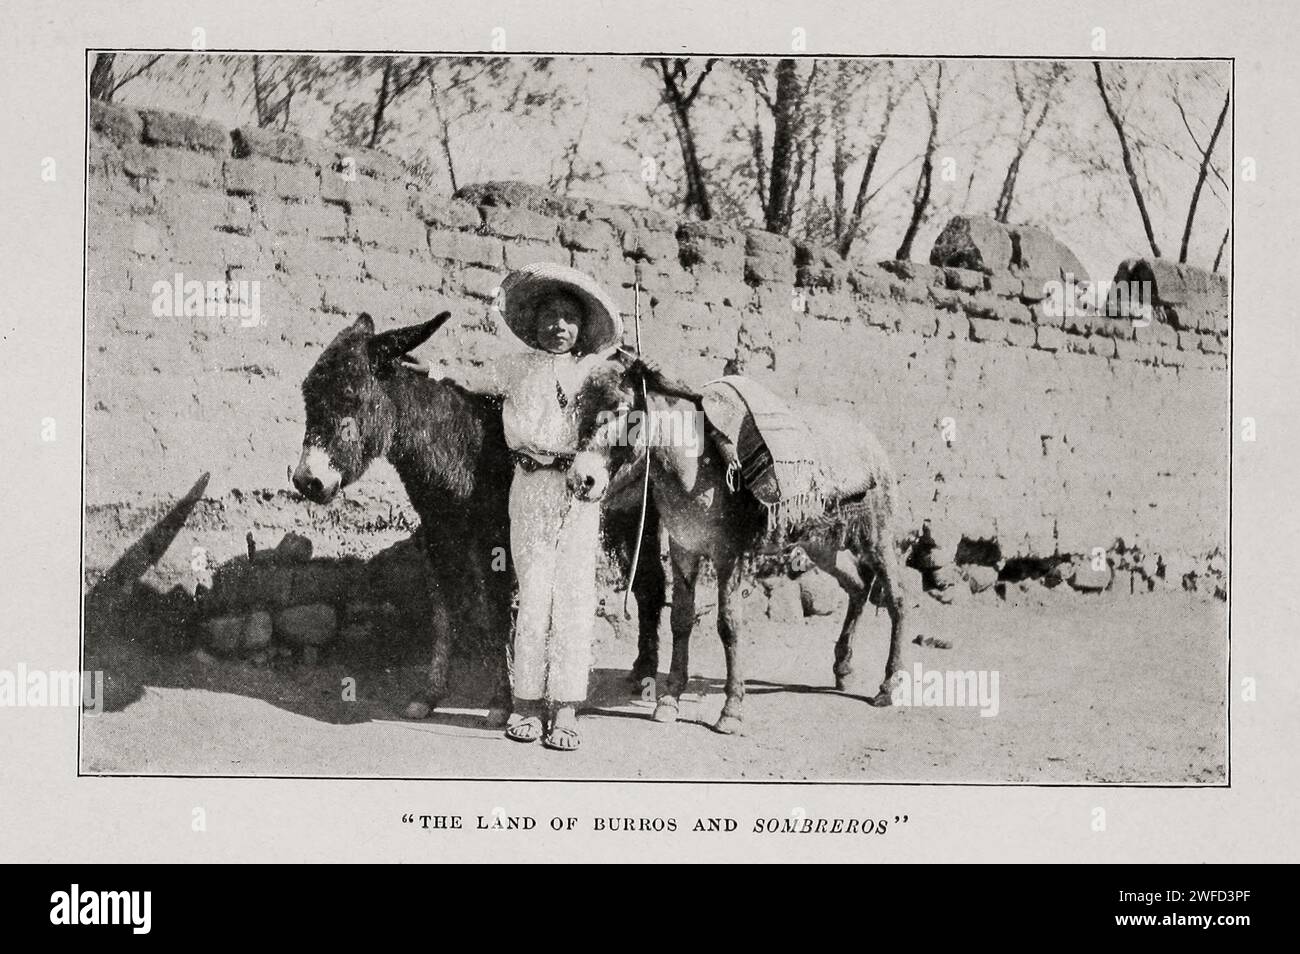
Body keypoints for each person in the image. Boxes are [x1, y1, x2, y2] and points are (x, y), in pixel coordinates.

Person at [401, 263, 621, 752]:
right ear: (533, 322)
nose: (558, 327)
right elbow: (473, 382)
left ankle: (565, 708)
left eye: (568, 318)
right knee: (533, 594)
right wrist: (434, 371)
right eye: (549, 316)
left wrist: (609, 426)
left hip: (576, 492)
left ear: (582, 327)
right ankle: (525, 702)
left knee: (573, 599)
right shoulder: (514, 367)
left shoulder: (595, 373)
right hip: (527, 488)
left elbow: (612, 428)